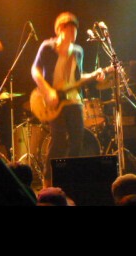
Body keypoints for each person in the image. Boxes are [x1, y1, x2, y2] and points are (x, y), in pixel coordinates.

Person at [31, 12, 105, 188]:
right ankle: (48, 180)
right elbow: (35, 70)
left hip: (73, 99)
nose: (73, 33)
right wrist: (48, 91)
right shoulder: (47, 47)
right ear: (59, 30)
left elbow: (77, 78)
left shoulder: (78, 51)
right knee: (58, 140)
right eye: (69, 30)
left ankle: (70, 180)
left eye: (75, 30)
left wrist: (95, 74)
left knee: (77, 140)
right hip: (54, 99)